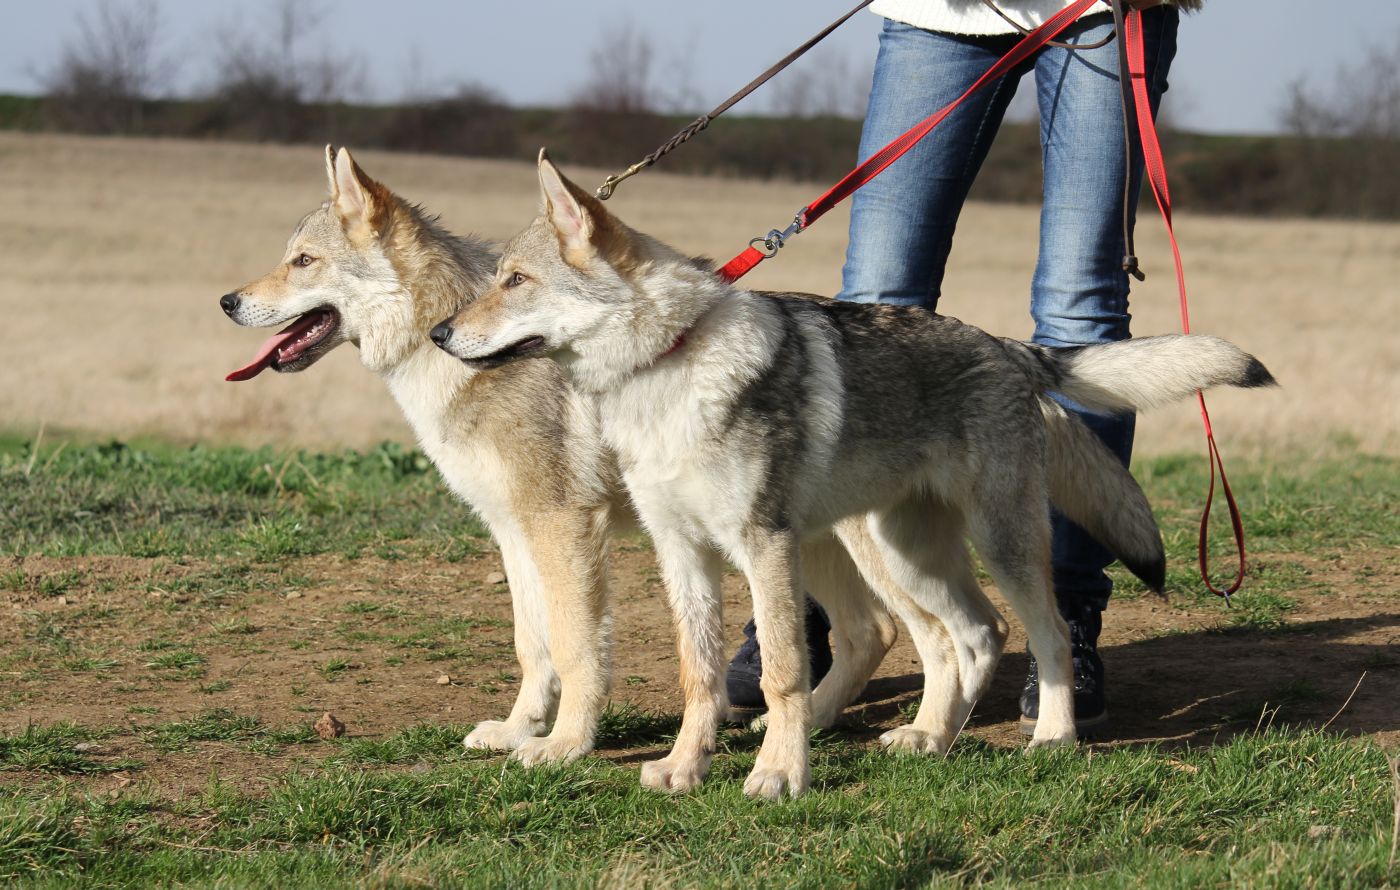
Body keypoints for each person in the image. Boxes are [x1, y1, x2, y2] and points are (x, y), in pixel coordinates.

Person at [726, 0, 1191, 735]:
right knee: (875, 296)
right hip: (938, 11)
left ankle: (1063, 620)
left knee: (1081, 306)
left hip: (1103, 10)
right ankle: (813, 608)